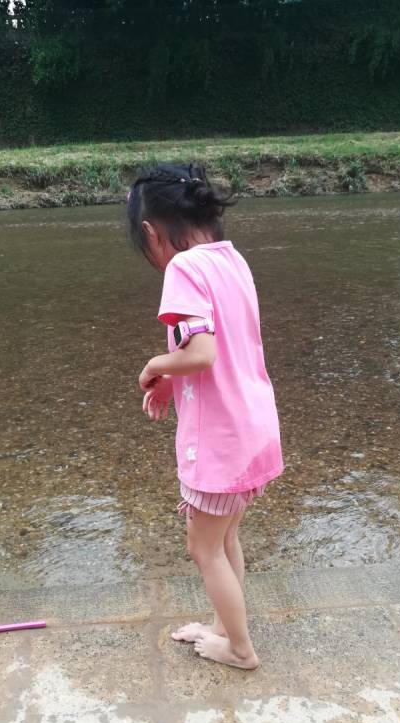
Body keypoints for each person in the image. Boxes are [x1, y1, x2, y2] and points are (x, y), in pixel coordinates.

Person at [128, 163, 283, 670]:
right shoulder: (232, 260)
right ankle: (224, 626)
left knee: (203, 547)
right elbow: (226, 345)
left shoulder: (184, 268)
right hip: (254, 428)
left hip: (221, 441)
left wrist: (156, 364)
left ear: (152, 232)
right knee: (225, 539)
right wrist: (174, 381)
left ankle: (240, 648)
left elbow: (202, 352)